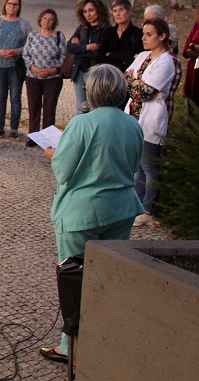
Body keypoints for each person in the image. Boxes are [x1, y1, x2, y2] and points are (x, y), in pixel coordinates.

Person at [39, 64, 144, 366]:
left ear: (92, 90)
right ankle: (103, 338)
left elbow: (63, 169)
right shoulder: (132, 124)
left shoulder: (81, 124)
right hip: (122, 208)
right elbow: (134, 167)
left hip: (82, 212)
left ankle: (69, 346)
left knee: (74, 280)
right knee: (107, 277)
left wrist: (52, 154)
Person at [125, 18, 180, 227]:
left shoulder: (167, 61)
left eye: (149, 34)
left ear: (162, 36)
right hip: (134, 115)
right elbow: (126, 77)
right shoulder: (144, 56)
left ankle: (149, 208)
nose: (144, 38)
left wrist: (136, 83)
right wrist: (135, 83)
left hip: (151, 118)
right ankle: (137, 205)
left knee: (149, 165)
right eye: (143, 34)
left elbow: (146, 92)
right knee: (137, 164)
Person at [0, 0, 32, 138]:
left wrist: (18, 51)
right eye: (9, 4)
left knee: (15, 97)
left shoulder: (24, 23)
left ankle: (14, 128)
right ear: (5, 5)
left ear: (19, 7)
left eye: (15, 4)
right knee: (0, 96)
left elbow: (30, 44)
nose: (12, 7)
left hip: (15, 65)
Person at [23, 9, 66, 146]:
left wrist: (54, 69)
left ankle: (48, 138)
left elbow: (63, 55)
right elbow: (25, 54)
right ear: (40, 20)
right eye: (45, 19)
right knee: (33, 107)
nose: (47, 22)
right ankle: (33, 136)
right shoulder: (32, 35)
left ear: (55, 22)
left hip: (52, 78)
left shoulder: (59, 36)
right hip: (33, 76)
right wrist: (33, 68)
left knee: (49, 108)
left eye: (50, 19)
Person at [67, 0, 110, 115]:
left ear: (99, 10)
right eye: (85, 11)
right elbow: (70, 46)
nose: (88, 14)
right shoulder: (83, 27)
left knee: (95, 107)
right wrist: (86, 47)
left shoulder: (106, 29)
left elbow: (99, 53)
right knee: (81, 107)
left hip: (96, 72)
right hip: (79, 70)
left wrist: (80, 48)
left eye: (91, 10)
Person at [97, 0, 143, 72]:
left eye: (121, 10)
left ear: (129, 12)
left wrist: (111, 55)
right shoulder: (108, 32)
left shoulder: (137, 33)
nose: (117, 14)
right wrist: (122, 58)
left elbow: (131, 57)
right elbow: (100, 56)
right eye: (115, 11)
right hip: (109, 74)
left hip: (128, 74)